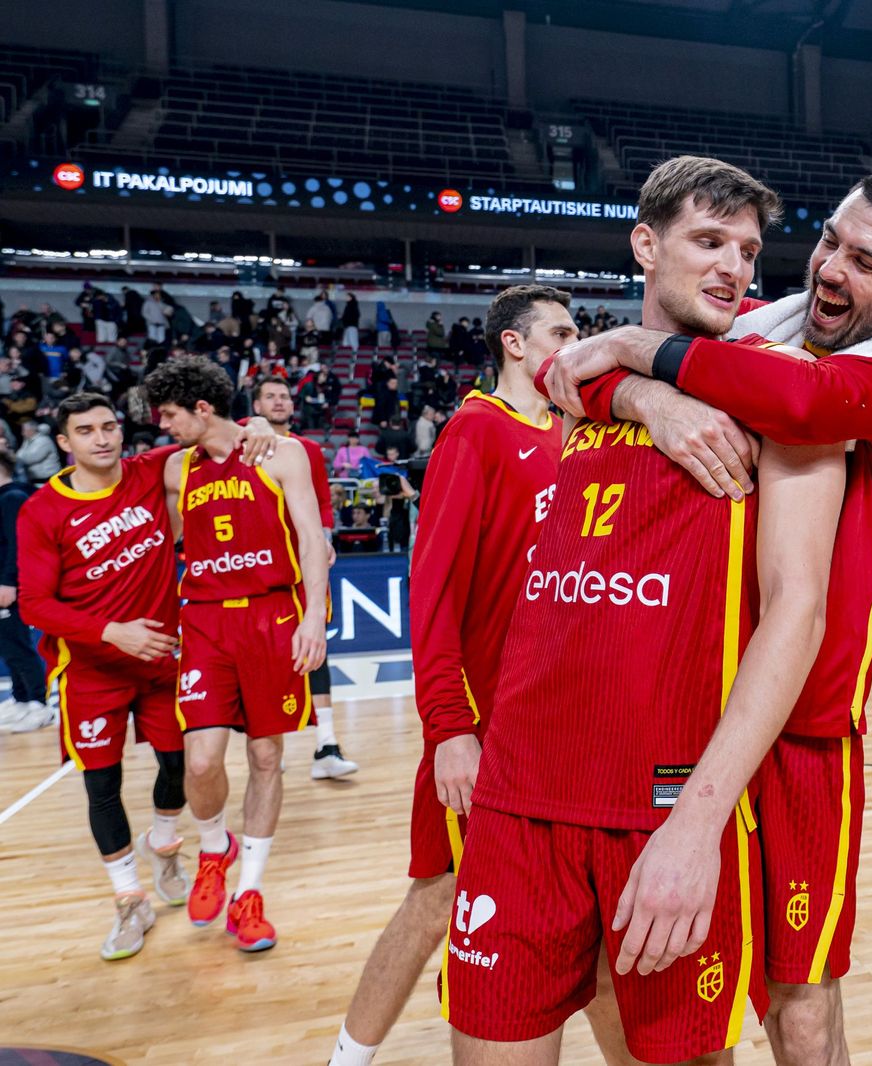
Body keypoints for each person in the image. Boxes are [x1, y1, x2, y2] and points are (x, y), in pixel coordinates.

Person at [543, 170, 872, 1065]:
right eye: (827, 242)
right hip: (686, 715)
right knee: (660, 982)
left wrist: (632, 349)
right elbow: (556, 375)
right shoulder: (755, 325)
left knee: (797, 998)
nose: (830, 270)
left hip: (802, 729)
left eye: (863, 260)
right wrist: (640, 394)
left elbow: (807, 404)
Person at [448, 156, 847, 1065]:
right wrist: (644, 391)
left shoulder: (783, 397)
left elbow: (799, 612)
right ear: (645, 243)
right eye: (709, 240)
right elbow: (563, 372)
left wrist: (699, 825)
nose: (733, 266)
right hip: (519, 799)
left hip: (658, 809)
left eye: (748, 250)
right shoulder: (578, 384)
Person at [328, 285, 573, 1066]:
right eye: (561, 332)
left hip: (557, 730)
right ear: (514, 343)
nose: (576, 344)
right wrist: (450, 730)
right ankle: (347, 1057)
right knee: (437, 897)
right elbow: (431, 595)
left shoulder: (575, 435)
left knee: (583, 924)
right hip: (484, 730)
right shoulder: (475, 431)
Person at [16, 393, 275, 958]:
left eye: (109, 427)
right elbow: (34, 604)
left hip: (162, 662)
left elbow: (212, 430)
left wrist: (256, 423)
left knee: (181, 768)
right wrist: (112, 631)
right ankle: (129, 901)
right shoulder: (40, 510)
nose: (102, 439)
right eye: (86, 431)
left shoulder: (151, 470)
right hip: (91, 669)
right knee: (101, 786)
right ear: (65, 443)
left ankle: (165, 844)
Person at [149, 356, 330, 953]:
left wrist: (313, 618)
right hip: (204, 620)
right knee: (200, 762)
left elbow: (311, 537)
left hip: (271, 615)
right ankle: (212, 847)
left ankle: (249, 892)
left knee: (265, 755)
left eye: (171, 415)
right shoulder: (175, 468)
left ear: (202, 408)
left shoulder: (282, 453)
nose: (164, 427)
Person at [250, 378, 358, 781]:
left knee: (315, 647)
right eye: (271, 397)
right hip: (259, 566)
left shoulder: (308, 449)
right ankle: (268, 743)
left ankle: (326, 745)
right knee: (263, 655)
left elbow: (323, 503)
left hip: (302, 562)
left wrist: (324, 540)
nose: (279, 402)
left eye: (284, 397)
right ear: (257, 404)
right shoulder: (244, 440)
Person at [0, 450, 50, 732]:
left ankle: (39, 703)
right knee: (7, 645)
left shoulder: (13, 497)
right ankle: (21, 698)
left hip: (9, 586)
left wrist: (9, 582)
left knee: (18, 646)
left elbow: (18, 545)